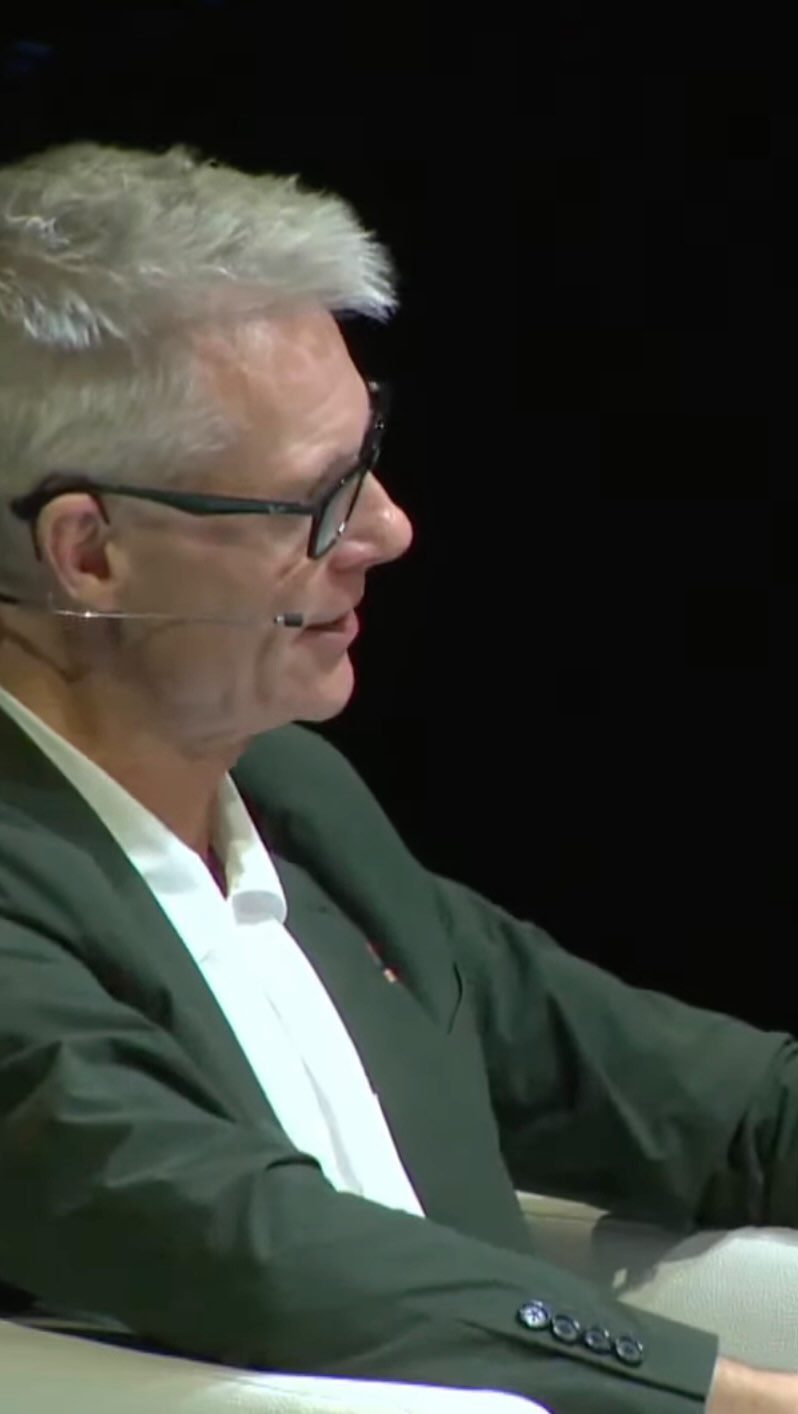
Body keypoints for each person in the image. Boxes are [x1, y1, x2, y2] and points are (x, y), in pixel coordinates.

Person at [0, 142, 794, 1414]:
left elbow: (724, 1111)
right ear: (91, 553)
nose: (387, 529)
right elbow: (256, 1254)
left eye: (367, 454)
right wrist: (732, 1395)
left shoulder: (296, 803)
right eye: (315, 501)